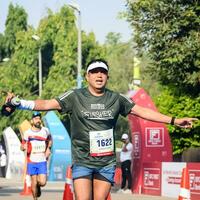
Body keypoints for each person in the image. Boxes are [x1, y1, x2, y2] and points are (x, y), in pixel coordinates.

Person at [3, 59, 197, 200]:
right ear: (87, 76)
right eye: (94, 72)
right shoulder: (75, 96)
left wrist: (173, 120)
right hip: (82, 161)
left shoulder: (116, 98)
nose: (99, 75)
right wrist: (19, 103)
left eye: (102, 72)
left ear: (107, 77)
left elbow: (143, 111)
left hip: (106, 163)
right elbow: (46, 103)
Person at [20, 111, 52, 200]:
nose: (38, 120)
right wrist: (23, 147)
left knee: (42, 182)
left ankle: (39, 186)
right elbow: (22, 146)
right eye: (36, 119)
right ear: (32, 121)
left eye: (39, 118)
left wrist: (49, 148)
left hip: (42, 160)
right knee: (33, 181)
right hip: (32, 160)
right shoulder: (27, 133)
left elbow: (50, 139)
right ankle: (35, 199)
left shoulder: (45, 130)